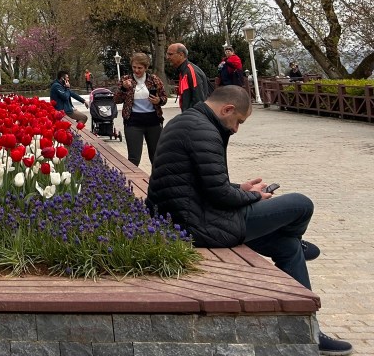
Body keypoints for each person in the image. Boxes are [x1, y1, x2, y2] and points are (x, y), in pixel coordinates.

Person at [147, 85, 353, 355]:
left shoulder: (188, 121)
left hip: (188, 216)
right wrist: (254, 196)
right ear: (227, 109)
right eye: (238, 121)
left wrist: (241, 188)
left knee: (287, 248)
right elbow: (220, 195)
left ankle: (310, 331)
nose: (236, 129)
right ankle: (294, 236)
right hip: (201, 224)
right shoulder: (204, 130)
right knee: (301, 204)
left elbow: (205, 184)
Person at [114, 52, 166, 167]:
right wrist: (123, 88)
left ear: (146, 68)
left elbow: (164, 98)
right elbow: (116, 100)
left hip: (153, 122)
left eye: (140, 68)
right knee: (134, 158)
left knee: (156, 157)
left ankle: (155, 178)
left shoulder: (154, 80)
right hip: (133, 122)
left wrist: (159, 100)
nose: (136, 70)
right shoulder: (126, 80)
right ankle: (132, 178)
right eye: (134, 67)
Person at [164, 43, 210, 111]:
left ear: (181, 55)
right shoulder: (184, 71)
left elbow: (199, 100)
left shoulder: (191, 71)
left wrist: (189, 115)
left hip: (194, 115)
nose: (167, 57)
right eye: (167, 54)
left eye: (170, 54)